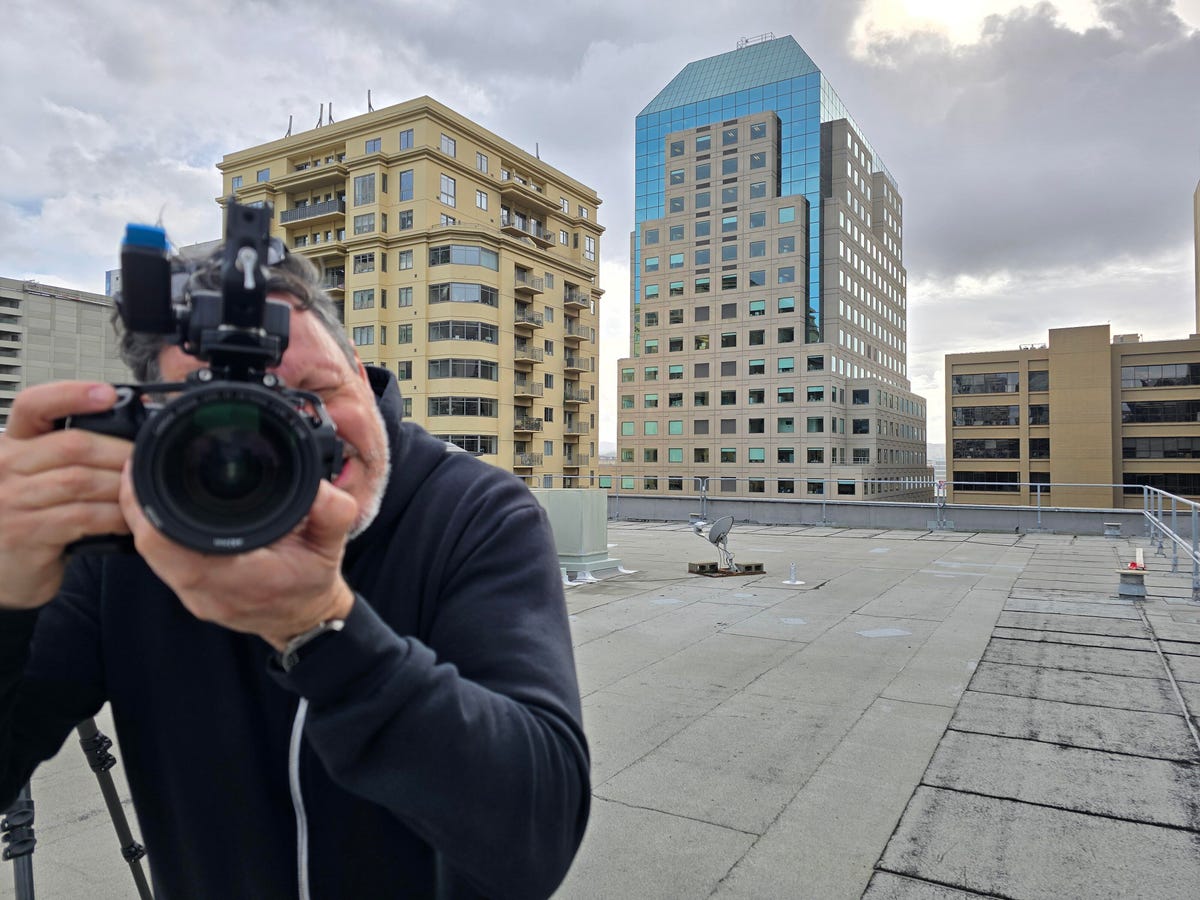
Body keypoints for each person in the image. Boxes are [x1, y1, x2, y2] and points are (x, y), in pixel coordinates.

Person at [0, 245, 590, 898]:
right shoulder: (129, 539)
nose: (286, 435)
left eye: (313, 394)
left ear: (361, 375)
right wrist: (6, 599)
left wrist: (323, 627)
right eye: (228, 415)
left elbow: (538, 834)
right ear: (158, 426)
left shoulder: (475, 512)